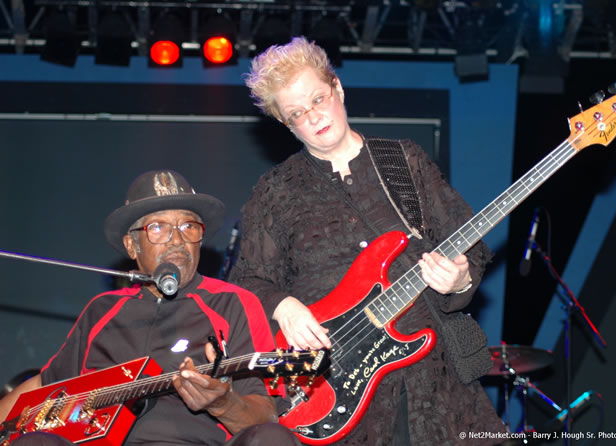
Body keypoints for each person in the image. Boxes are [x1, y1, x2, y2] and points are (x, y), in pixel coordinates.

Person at [229, 37, 508, 445]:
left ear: (337, 88)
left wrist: (460, 280)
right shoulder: (275, 191)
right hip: (336, 383)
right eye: (297, 113)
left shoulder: (404, 160)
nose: (314, 116)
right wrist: (284, 307)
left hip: (432, 376)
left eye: (318, 98)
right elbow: (247, 279)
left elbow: (469, 244)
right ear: (286, 124)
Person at [0, 170, 301, 446]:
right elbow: (44, 384)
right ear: (132, 247)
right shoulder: (102, 309)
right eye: (158, 227)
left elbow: (265, 416)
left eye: (187, 225)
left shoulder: (232, 301)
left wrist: (222, 403)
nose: (178, 240)